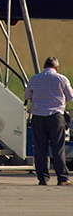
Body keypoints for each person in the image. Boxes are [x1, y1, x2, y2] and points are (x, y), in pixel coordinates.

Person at [24, 56, 73, 186]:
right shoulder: (62, 79)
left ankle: (43, 178)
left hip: (38, 117)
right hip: (56, 117)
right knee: (58, 148)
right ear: (56, 67)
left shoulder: (34, 78)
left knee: (40, 149)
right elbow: (70, 97)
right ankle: (62, 178)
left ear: (44, 66)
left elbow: (27, 96)